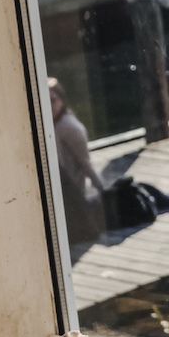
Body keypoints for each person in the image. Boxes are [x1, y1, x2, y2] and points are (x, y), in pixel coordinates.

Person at [47, 76, 106, 245]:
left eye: (53, 100)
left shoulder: (70, 127)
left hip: (70, 191)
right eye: (45, 100)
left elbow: (86, 163)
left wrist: (104, 192)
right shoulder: (49, 123)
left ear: (62, 100)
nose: (49, 105)